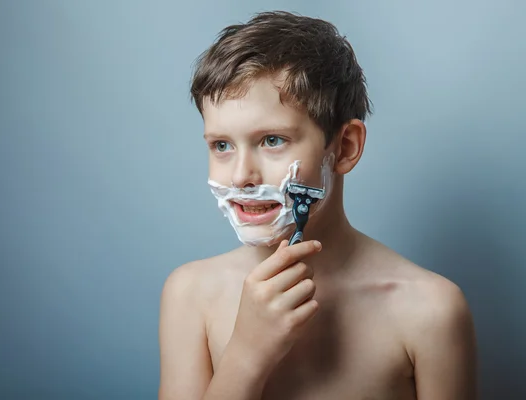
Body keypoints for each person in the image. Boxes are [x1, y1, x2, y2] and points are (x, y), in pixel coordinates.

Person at [159, 11, 477, 400]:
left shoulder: (430, 310)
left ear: (344, 147)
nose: (241, 175)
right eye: (221, 145)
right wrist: (245, 357)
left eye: (272, 140)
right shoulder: (191, 295)